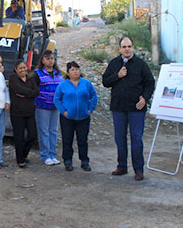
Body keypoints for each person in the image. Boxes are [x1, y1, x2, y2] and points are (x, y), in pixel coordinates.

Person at [102, 36, 155, 181]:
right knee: (120, 138)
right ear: (120, 49)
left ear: (133, 48)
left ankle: (138, 170)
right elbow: (105, 81)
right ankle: (122, 166)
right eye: (124, 47)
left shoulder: (141, 64)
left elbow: (150, 83)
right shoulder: (114, 64)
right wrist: (117, 76)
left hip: (136, 109)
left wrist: (145, 98)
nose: (127, 49)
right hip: (119, 107)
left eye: (129, 46)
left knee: (136, 139)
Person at [54, 61, 98, 172]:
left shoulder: (86, 83)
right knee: (67, 140)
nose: (75, 72)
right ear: (68, 73)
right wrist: (63, 111)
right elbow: (56, 99)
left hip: (83, 117)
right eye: (72, 70)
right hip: (67, 118)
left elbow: (94, 96)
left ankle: (84, 161)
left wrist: (90, 109)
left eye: (77, 69)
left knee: (83, 140)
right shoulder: (63, 85)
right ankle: (68, 161)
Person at [34, 50, 63, 165]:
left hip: (55, 107)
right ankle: (45, 155)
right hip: (43, 107)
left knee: (54, 131)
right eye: (47, 58)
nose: (50, 61)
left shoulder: (58, 73)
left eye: (52, 58)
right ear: (43, 60)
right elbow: (34, 89)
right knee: (44, 131)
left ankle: (53, 154)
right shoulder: (38, 73)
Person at [9, 59, 39, 168]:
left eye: (24, 67)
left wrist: (25, 93)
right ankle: (20, 159)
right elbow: (18, 89)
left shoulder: (30, 79)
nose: (23, 70)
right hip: (17, 113)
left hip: (30, 112)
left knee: (32, 135)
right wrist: (29, 93)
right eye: (20, 68)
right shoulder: (13, 79)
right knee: (19, 137)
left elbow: (37, 92)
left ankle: (24, 154)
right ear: (16, 70)